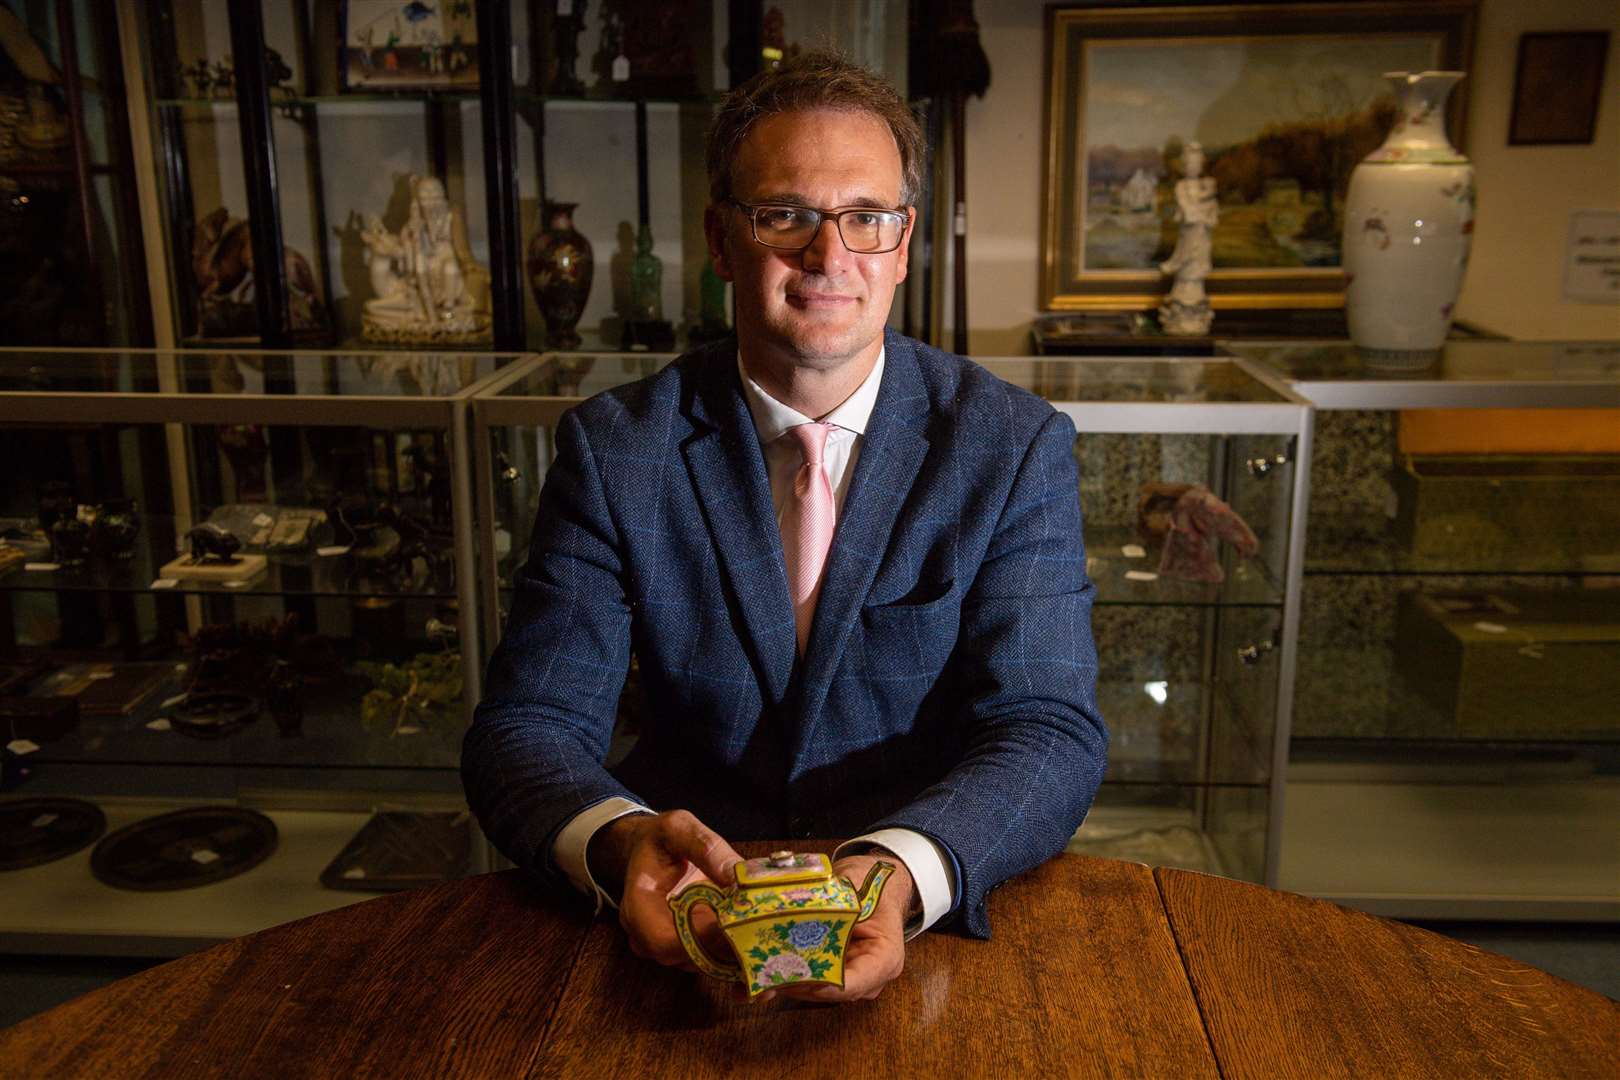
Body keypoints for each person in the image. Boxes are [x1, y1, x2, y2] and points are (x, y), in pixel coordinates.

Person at [463, 49, 1107, 1003]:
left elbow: (1048, 728)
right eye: (786, 214)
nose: (829, 254)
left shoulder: (1010, 445)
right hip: (682, 919)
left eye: (865, 217)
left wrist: (900, 869)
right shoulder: (615, 448)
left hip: (926, 933)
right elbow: (527, 727)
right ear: (723, 241)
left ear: (902, 240)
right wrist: (617, 840)